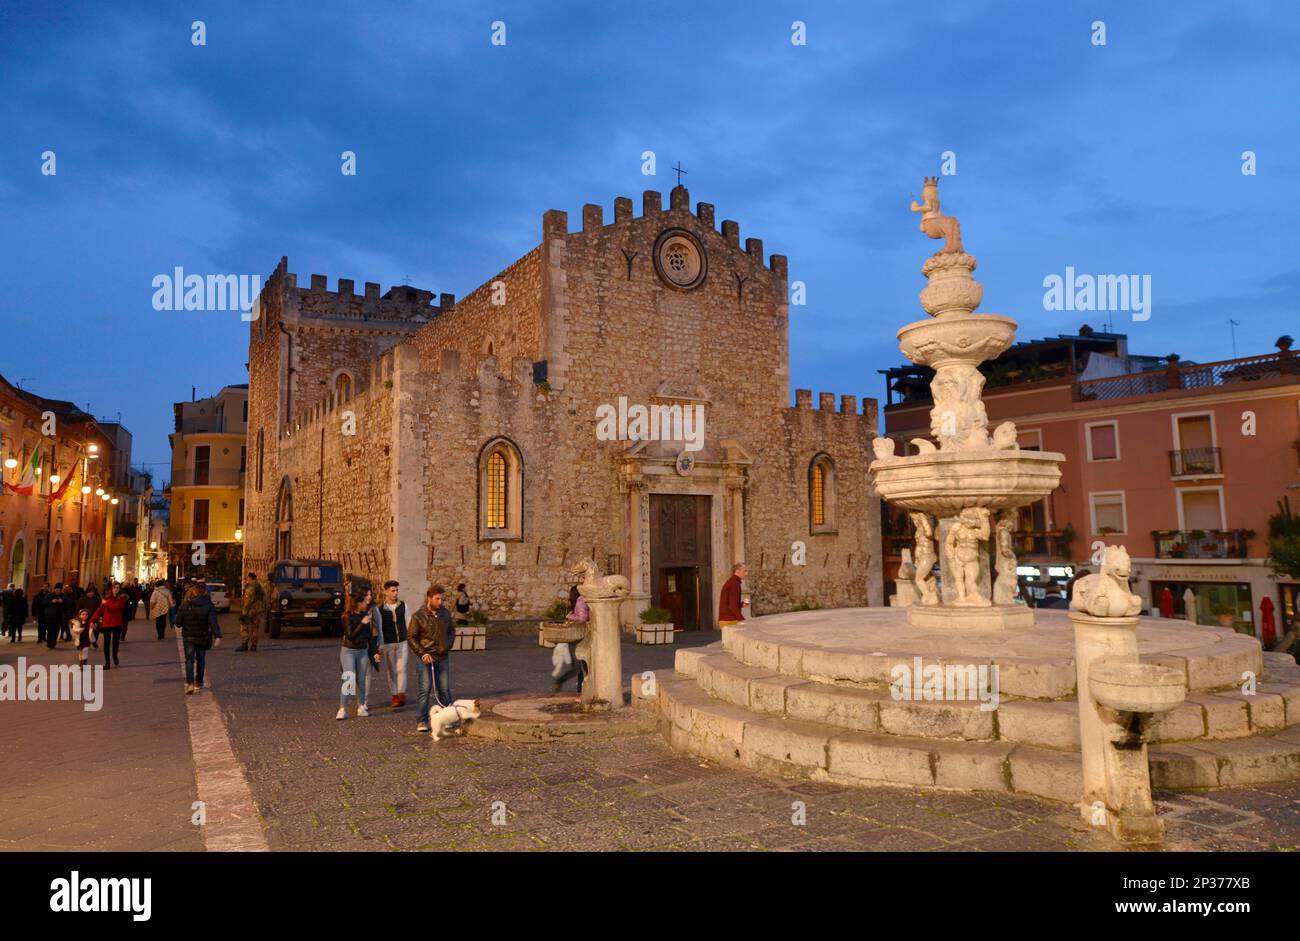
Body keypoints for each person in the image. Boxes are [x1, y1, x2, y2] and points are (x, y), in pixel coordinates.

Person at [408, 585, 453, 733]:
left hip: (442, 656)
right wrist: (422, 653)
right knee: (425, 689)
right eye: (437, 599)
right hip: (425, 658)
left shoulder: (446, 614)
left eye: (442, 599)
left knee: (444, 689)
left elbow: (451, 631)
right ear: (429, 598)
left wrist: (447, 646)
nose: (440, 602)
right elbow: (411, 637)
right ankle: (421, 721)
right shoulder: (418, 616)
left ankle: (447, 719)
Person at [337, 588, 381, 719]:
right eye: (363, 602)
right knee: (349, 678)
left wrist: (374, 652)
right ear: (357, 603)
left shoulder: (365, 616)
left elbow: (370, 637)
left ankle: (361, 706)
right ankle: (342, 708)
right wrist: (362, 624)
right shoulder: (346, 616)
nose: (366, 603)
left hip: (362, 651)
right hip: (348, 651)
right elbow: (350, 635)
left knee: (361, 680)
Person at [177, 583, 222, 694]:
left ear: (195, 591)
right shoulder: (209, 605)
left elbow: (178, 623)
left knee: (189, 660)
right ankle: (199, 682)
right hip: (202, 636)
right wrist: (218, 636)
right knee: (201, 659)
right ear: (205, 591)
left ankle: (190, 684)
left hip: (188, 637)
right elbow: (213, 622)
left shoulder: (185, 605)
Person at [377, 580, 410, 708]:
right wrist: (379, 645)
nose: (395, 593)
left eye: (397, 590)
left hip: (402, 642)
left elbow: (409, 622)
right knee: (391, 671)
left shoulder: (403, 606)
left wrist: (410, 639)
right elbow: (379, 628)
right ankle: (394, 695)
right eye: (392, 590)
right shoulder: (380, 609)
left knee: (402, 668)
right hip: (388, 643)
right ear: (386, 592)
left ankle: (401, 693)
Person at [553, 584, 588, 694]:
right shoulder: (581, 601)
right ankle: (560, 681)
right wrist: (570, 616)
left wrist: (570, 616)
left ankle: (580, 692)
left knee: (582, 668)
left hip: (575, 638)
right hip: (580, 639)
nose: (570, 596)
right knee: (579, 668)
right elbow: (583, 618)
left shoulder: (578, 602)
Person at [89, 583, 128, 668]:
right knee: (106, 643)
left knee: (115, 642)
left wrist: (105, 603)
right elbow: (99, 610)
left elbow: (115, 607)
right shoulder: (106, 599)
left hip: (117, 623)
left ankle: (115, 656)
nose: (116, 589)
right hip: (107, 624)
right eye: (115, 587)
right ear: (112, 589)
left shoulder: (121, 599)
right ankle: (107, 662)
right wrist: (92, 620)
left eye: (118, 588)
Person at [237, 572, 268, 652]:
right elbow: (265, 598)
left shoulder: (250, 587)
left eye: (247, 578)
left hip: (250, 611)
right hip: (258, 611)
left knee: (244, 626)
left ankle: (244, 644)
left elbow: (248, 601)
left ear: (250, 578)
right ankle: (254, 646)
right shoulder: (260, 587)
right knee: (255, 629)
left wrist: (244, 613)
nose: (246, 580)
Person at [719, 562, 747, 628]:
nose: (746, 574)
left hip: (726, 620)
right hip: (730, 620)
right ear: (737, 571)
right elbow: (732, 606)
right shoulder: (734, 584)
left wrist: (742, 604)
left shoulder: (732, 582)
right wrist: (742, 619)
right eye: (744, 571)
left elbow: (730, 603)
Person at [42, 584, 66, 649]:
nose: (58, 591)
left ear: (61, 590)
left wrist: (62, 601)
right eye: (56, 590)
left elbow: (69, 603)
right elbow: (44, 603)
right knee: (50, 630)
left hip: (59, 616)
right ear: (54, 589)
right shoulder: (49, 595)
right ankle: (49, 643)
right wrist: (51, 601)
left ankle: (53, 642)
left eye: (59, 590)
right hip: (50, 616)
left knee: (56, 630)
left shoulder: (63, 596)